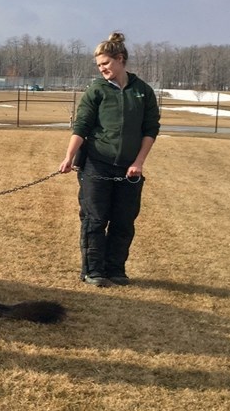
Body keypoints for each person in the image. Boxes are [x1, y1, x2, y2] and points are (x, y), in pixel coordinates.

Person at [59, 32, 160, 287]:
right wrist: (69, 157)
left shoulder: (143, 91)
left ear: (120, 59)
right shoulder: (97, 90)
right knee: (95, 219)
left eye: (105, 63)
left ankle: (116, 269)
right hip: (97, 166)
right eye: (99, 65)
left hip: (129, 170)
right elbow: (81, 126)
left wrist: (138, 162)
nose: (101, 69)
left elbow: (150, 130)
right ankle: (94, 271)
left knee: (123, 221)